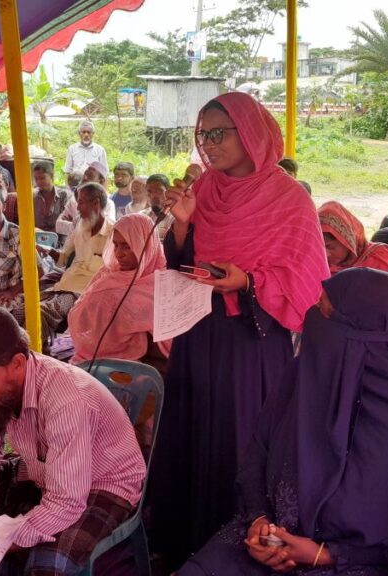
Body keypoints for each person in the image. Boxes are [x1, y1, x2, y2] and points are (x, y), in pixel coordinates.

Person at [149, 93, 329, 570]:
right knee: (192, 431)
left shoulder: (289, 198)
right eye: (202, 134)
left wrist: (249, 281)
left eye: (218, 133)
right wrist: (183, 225)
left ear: (249, 132)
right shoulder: (205, 190)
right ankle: (184, 536)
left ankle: (241, 540)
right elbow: (184, 263)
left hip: (252, 341)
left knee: (239, 437)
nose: (208, 145)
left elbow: (305, 280)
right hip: (198, 334)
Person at [179, 269, 388, 576]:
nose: (313, 318)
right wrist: (259, 522)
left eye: (325, 311)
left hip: (359, 564)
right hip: (273, 540)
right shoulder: (305, 375)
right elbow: (259, 451)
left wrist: (327, 554)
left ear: (359, 332)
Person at [0, 305, 146, 576]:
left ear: (17, 364)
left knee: (47, 566)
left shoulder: (66, 399)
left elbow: (66, 501)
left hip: (102, 484)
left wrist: (0, 542)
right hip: (41, 471)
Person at [68, 213, 170, 370]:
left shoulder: (162, 281)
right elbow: (80, 311)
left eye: (127, 246)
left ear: (145, 245)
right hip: (93, 355)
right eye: (116, 245)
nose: (119, 253)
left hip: (138, 365)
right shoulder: (107, 273)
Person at [31, 183, 114, 343]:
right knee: (22, 305)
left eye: (81, 202)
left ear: (96, 203)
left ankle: (38, 357)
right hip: (63, 285)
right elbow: (63, 258)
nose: (78, 209)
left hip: (84, 293)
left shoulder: (113, 233)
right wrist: (47, 250)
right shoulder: (80, 225)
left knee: (40, 312)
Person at [318, 200, 388, 273]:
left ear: (347, 241)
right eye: (319, 249)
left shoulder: (380, 257)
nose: (326, 254)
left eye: (330, 247)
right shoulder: (318, 264)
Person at [32, 160, 73, 233]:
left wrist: (47, 235)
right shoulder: (33, 197)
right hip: (37, 239)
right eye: (36, 179)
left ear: (51, 176)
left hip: (60, 239)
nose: (39, 182)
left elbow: (68, 224)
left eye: (42, 178)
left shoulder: (64, 196)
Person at [146, 173, 175, 241]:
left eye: (158, 191)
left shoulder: (175, 217)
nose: (153, 196)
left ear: (168, 191)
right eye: (149, 191)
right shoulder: (142, 215)